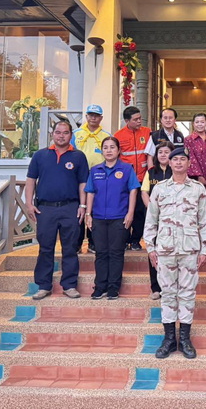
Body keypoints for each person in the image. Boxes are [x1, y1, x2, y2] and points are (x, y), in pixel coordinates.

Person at [144, 147, 206, 359]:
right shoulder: (160, 189)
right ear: (169, 163)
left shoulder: (198, 189)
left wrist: (205, 249)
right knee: (168, 293)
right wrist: (150, 248)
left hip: (190, 249)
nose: (179, 162)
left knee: (188, 293)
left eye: (183, 159)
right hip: (165, 249)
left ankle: (185, 339)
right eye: (175, 160)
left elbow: (204, 221)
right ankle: (169, 339)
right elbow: (151, 220)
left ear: (189, 163)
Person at [25, 121, 88, 300]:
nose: (61, 136)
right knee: (45, 248)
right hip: (45, 209)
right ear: (52, 134)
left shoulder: (78, 156)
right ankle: (43, 286)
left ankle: (69, 285)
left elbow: (83, 183)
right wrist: (29, 204)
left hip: (70, 208)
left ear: (71, 135)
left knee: (70, 248)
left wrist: (83, 206)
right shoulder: (40, 155)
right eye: (58, 132)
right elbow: (31, 180)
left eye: (65, 133)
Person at [85, 136, 140, 300]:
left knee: (116, 253)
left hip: (119, 217)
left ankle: (113, 288)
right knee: (101, 253)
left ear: (118, 150)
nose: (109, 150)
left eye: (112, 147)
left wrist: (130, 213)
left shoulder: (127, 169)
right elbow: (90, 192)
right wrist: (88, 214)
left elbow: (133, 191)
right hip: (98, 218)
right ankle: (100, 287)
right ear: (102, 151)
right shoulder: (95, 170)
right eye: (105, 147)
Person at [72, 104, 110, 254]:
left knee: (95, 208)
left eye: (96, 115)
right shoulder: (75, 134)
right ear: (86, 116)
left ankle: (93, 243)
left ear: (101, 118)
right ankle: (77, 243)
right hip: (77, 176)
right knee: (79, 208)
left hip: (98, 175)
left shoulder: (106, 135)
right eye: (91, 115)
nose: (93, 118)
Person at [140, 141, 175, 300]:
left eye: (166, 152)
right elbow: (144, 192)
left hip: (172, 219)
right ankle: (156, 288)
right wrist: (153, 210)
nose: (163, 155)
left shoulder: (176, 171)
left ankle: (171, 287)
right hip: (154, 219)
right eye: (160, 152)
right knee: (154, 252)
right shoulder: (151, 172)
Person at [115, 106, 152, 251]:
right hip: (125, 179)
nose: (139, 121)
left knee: (140, 211)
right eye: (135, 119)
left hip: (143, 178)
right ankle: (124, 240)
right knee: (125, 210)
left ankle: (136, 240)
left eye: (140, 118)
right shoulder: (119, 135)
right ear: (127, 121)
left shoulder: (147, 132)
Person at [185, 112, 206, 206]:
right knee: (194, 205)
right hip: (194, 179)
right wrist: (199, 176)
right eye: (197, 122)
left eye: (202, 122)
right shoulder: (188, 140)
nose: (199, 124)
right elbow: (191, 158)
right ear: (193, 124)